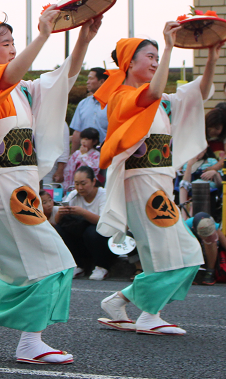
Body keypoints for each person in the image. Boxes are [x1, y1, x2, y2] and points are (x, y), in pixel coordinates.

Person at [0, 7, 101, 365]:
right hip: (1, 185)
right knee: (55, 262)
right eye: (6, 43)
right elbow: (9, 74)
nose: (13, 49)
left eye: (15, 42)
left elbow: (63, 77)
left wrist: (83, 40)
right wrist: (43, 34)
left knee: (18, 273)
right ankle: (31, 342)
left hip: (16, 185)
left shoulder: (21, 90)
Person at [95, 25, 220, 335]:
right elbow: (150, 92)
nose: (153, 63)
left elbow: (199, 93)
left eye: (156, 57)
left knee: (162, 252)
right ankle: (149, 314)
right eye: (148, 57)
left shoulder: (162, 100)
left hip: (159, 183)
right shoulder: (122, 97)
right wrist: (168, 48)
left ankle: (121, 303)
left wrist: (212, 56)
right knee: (184, 252)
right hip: (142, 184)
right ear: (130, 64)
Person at [54, 165, 114, 280]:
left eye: (83, 183)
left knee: (91, 231)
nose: (80, 187)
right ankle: (77, 265)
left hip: (102, 240)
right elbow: (56, 222)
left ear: (93, 181)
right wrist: (60, 213)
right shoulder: (73, 195)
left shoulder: (104, 195)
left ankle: (102, 266)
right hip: (82, 242)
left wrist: (82, 212)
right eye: (76, 184)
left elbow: (104, 222)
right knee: (59, 230)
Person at [70, 67, 109, 152]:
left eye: (91, 79)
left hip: (107, 155)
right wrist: (73, 155)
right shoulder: (83, 104)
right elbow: (77, 132)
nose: (87, 82)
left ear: (102, 81)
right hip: (85, 156)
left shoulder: (114, 103)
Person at [63, 127, 100, 191]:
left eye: (86, 139)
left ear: (94, 142)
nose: (83, 141)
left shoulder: (96, 154)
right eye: (82, 138)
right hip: (73, 184)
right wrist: (67, 185)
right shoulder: (77, 153)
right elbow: (69, 169)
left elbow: (94, 169)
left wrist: (84, 155)